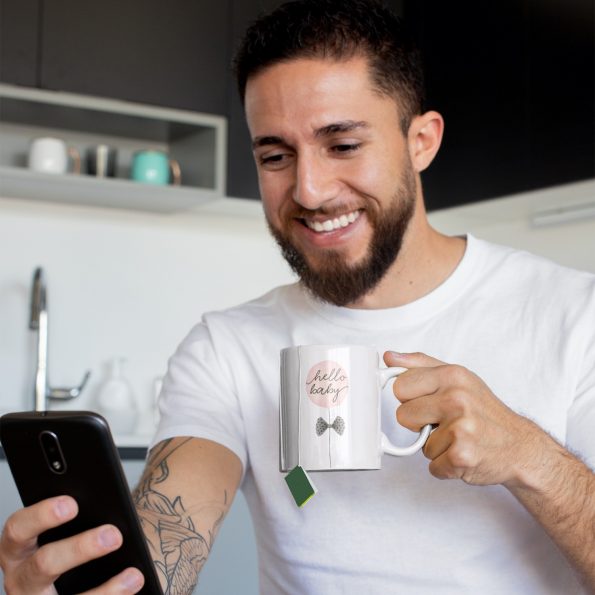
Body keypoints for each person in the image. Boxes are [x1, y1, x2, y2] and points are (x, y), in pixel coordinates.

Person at [1, 0, 594, 593]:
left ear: (421, 142)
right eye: (276, 156)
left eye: (342, 145)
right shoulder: (227, 347)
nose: (308, 191)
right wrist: (101, 577)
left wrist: (530, 457)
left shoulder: (575, 316)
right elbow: (171, 522)